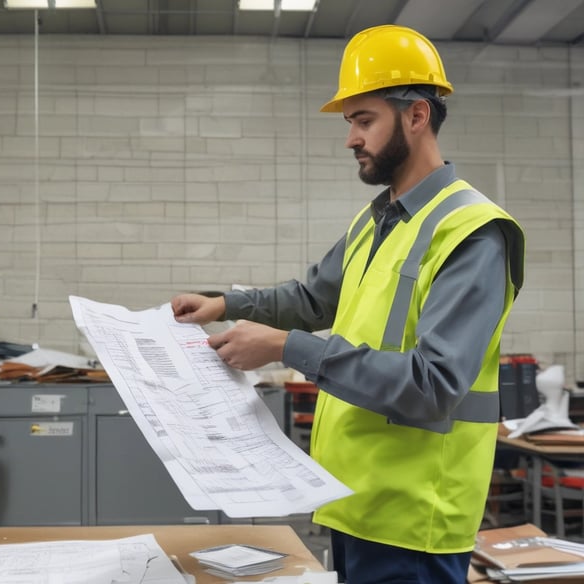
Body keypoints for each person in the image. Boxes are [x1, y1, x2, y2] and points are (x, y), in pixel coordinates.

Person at [171, 24, 525, 584]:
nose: (351, 139)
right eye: (350, 123)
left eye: (364, 120)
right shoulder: (376, 220)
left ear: (416, 116)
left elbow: (433, 384)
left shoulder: (472, 233)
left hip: (413, 518)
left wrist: (287, 348)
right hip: (354, 501)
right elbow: (313, 299)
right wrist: (225, 302)